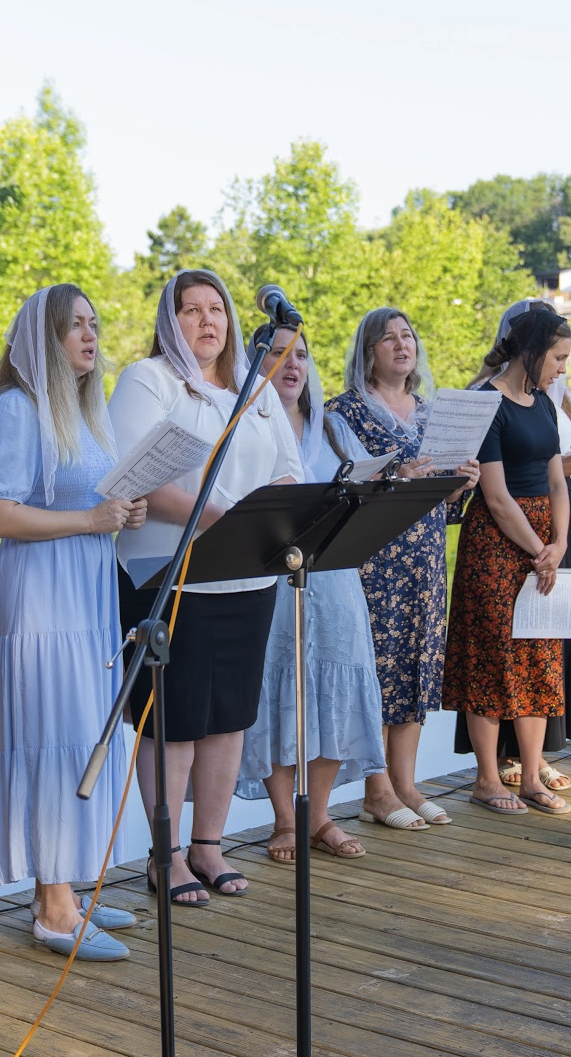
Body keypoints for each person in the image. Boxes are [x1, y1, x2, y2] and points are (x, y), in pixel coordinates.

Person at [0, 285, 145, 961]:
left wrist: (122, 512)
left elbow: (92, 499)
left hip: (86, 593)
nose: (90, 336)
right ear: (44, 339)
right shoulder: (16, 408)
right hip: (40, 598)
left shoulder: (85, 410)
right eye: (74, 325)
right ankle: (55, 912)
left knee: (80, 732)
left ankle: (61, 892)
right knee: (52, 732)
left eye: (93, 323)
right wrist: (91, 518)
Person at [108, 269, 301, 905]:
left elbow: (289, 469)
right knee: (173, 720)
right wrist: (234, 521)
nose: (207, 320)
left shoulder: (253, 386)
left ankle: (208, 846)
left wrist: (261, 523)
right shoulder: (149, 380)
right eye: (190, 310)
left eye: (216, 308)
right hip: (171, 575)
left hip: (247, 573)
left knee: (229, 717)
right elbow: (139, 476)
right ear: (169, 321)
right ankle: (164, 857)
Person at [326, 308, 480, 829]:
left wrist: (460, 484)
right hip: (374, 560)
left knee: (416, 665)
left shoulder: (433, 413)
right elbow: (341, 488)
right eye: (387, 338)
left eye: (407, 335)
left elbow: (446, 505)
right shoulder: (344, 411)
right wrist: (398, 477)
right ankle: (376, 790)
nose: (400, 344)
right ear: (367, 351)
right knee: (378, 669)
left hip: (425, 559)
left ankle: (407, 784)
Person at [237, 322, 386, 861]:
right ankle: (285, 821)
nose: (292, 364)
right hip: (270, 581)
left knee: (336, 688)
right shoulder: (243, 426)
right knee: (276, 693)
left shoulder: (333, 427)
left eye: (300, 354)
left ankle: (319, 818)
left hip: (335, 580)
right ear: (254, 363)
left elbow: (365, 493)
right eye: (278, 354)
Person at [453, 299, 571, 794]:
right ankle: (487, 779)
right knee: (492, 657)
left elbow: (557, 480)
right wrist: (542, 548)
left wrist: (560, 543)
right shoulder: (486, 403)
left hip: (543, 543)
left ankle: (532, 775)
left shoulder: (541, 401)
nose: (563, 368)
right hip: (496, 544)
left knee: (541, 655)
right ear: (532, 352)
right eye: (558, 357)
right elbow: (496, 497)